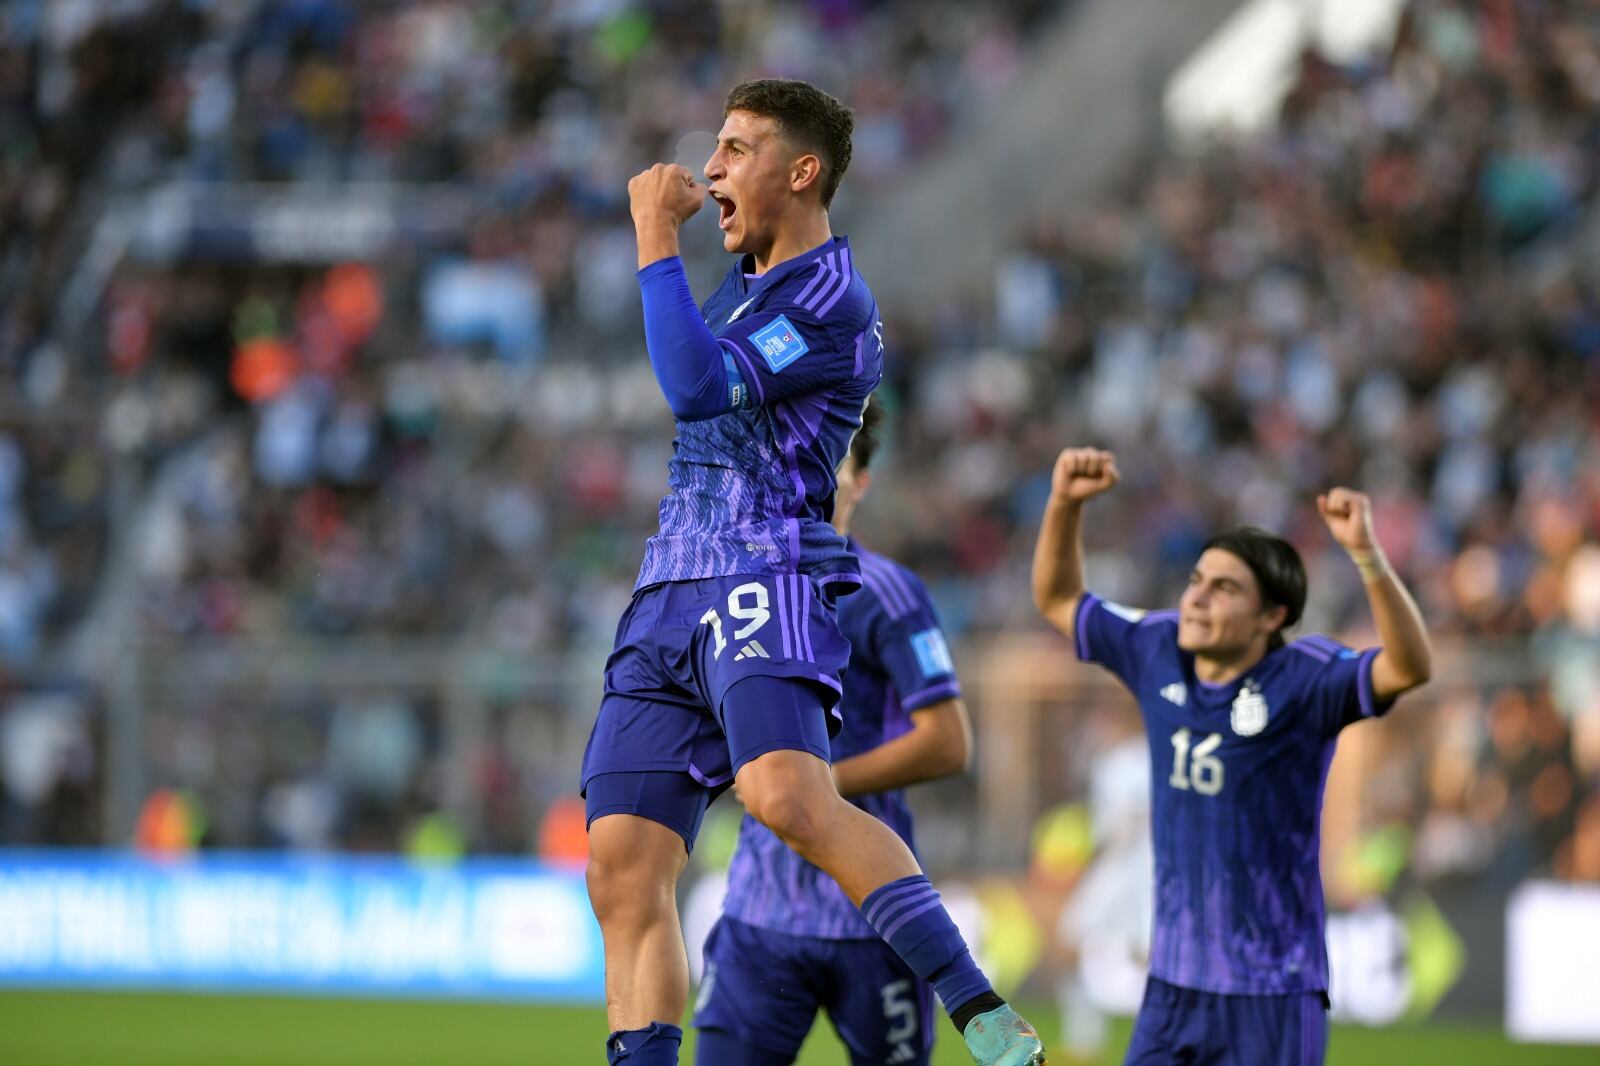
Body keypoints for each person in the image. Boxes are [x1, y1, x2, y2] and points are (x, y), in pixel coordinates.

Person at [580, 78, 1045, 1066]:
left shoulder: (832, 296)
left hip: (764, 572)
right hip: (668, 588)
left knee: (790, 798)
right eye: (714, 145)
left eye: (736, 148)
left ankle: (981, 1014)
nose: (710, 168)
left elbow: (696, 385)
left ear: (800, 172)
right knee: (621, 870)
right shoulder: (743, 287)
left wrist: (651, 236)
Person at [1031, 448, 1433, 1066]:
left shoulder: (1306, 679)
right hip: (1172, 988)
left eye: (1223, 589)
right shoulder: (1156, 647)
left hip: (1270, 994)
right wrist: (1065, 504)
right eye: (1196, 581)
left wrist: (1368, 557)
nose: (1196, 599)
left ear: (1272, 616)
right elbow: (1060, 598)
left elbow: (1408, 666)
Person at [694, 398, 975, 1065]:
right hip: (759, 911)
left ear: (861, 480)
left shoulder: (886, 592)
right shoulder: (737, 586)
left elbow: (949, 741)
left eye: (832, 458)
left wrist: (819, 788)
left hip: (873, 917)